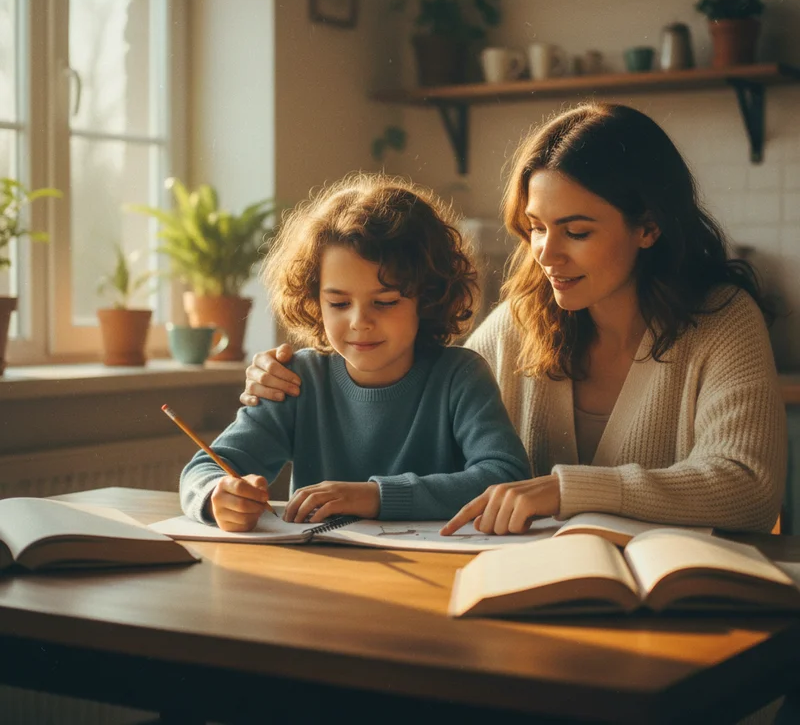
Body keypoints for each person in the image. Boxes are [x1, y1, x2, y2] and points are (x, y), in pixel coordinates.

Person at [240, 103, 787, 538]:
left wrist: (563, 489)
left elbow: (748, 489)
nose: (546, 255)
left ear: (648, 226)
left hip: (679, 605)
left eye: (576, 231)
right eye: (537, 228)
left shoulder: (721, 322)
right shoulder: (521, 321)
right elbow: (410, 377)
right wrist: (285, 372)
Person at [180, 173, 530, 531]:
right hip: (322, 570)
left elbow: (505, 475)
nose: (360, 322)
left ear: (426, 298)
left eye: (384, 302)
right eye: (338, 302)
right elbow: (203, 468)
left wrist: (376, 496)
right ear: (315, 301)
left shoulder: (459, 376)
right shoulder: (295, 379)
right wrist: (216, 494)